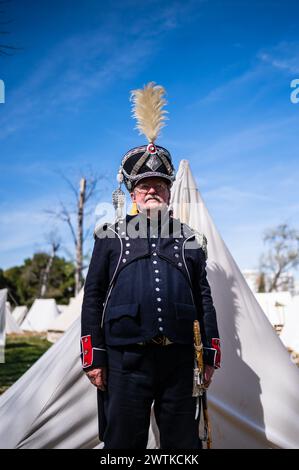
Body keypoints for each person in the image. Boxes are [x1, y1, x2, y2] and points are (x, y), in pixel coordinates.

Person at [80, 82, 221, 449]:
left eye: (159, 184)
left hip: (179, 361)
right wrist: (94, 355)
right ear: (132, 193)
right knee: (123, 444)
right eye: (144, 186)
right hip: (126, 360)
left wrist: (209, 353)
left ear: (170, 190)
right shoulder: (109, 236)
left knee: (182, 445)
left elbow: (204, 299)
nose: (152, 190)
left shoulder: (190, 239)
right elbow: (93, 297)